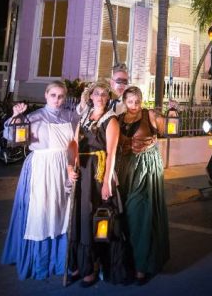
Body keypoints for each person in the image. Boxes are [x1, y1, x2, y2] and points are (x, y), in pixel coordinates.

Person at [0, 81, 80, 280]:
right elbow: (11, 137)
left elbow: (77, 141)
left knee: (62, 211)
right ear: (46, 95)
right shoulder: (34, 117)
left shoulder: (71, 117)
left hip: (64, 168)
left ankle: (62, 259)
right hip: (41, 168)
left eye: (61, 96)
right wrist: (16, 116)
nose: (57, 100)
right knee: (41, 212)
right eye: (53, 95)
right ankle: (40, 261)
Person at [116, 86, 170, 285]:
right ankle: (128, 261)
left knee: (140, 213)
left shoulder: (150, 115)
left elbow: (164, 130)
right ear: (124, 101)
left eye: (137, 101)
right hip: (124, 170)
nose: (134, 105)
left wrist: (166, 114)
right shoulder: (119, 119)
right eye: (130, 102)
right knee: (124, 217)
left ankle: (142, 266)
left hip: (146, 168)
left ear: (142, 100)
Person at [73, 81, 125, 287]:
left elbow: (111, 152)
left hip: (99, 172)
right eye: (97, 93)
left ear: (108, 97)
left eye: (104, 94)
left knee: (98, 218)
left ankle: (96, 266)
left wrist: (106, 182)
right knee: (82, 217)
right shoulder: (84, 117)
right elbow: (74, 144)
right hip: (83, 171)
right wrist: (71, 168)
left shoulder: (111, 120)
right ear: (90, 96)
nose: (101, 97)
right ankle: (81, 264)